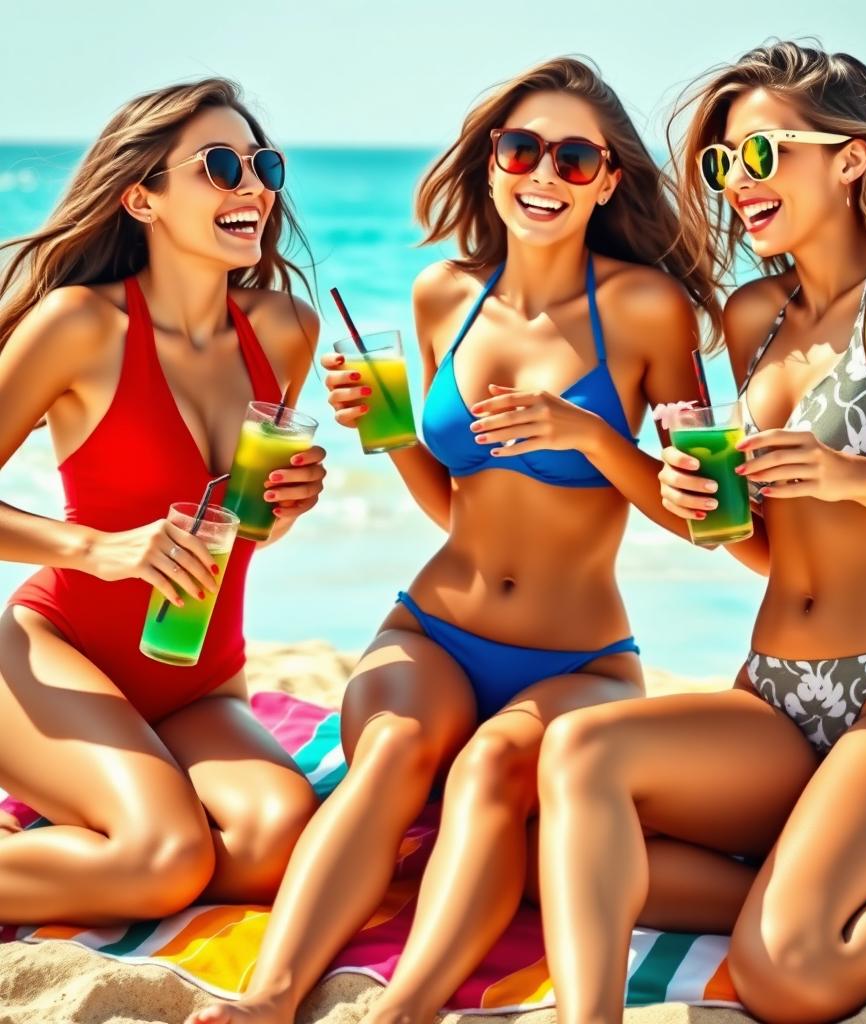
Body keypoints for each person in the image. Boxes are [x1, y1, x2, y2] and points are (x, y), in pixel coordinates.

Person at [186, 56, 733, 1024]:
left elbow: (703, 518)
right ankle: (271, 997)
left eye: (575, 158)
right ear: (491, 164)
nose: (545, 175)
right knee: (394, 747)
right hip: (432, 627)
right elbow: (452, 505)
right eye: (523, 149)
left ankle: (404, 1009)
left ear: (608, 180)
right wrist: (389, 432)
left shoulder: (648, 309)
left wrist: (591, 436)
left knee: (488, 769)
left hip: (581, 658)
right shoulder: (446, 296)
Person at [535, 41, 866, 1024]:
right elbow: (758, 544)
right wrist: (670, 484)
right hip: (772, 697)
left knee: (784, 973)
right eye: (722, 163)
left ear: (848, 158)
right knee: (575, 771)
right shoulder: (755, 313)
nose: (734, 182)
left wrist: (853, 476)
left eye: (761, 154)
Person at [0, 79, 327, 925]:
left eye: (263, 166)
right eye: (220, 165)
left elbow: (243, 523)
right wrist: (98, 548)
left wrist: (285, 510)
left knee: (282, 843)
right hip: (54, 651)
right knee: (166, 857)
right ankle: (124, 831)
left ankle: (106, 824)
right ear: (142, 197)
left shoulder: (285, 329)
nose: (251, 185)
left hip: (200, 680)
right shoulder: (82, 325)